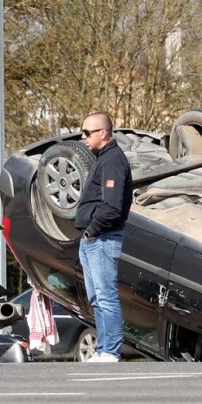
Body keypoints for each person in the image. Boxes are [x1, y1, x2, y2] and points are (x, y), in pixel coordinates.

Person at [74, 111, 132, 363]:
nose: (83, 137)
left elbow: (112, 207)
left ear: (103, 133)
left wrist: (91, 231)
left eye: (87, 132)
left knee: (106, 296)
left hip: (102, 238)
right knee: (97, 298)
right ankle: (102, 349)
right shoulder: (103, 159)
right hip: (93, 239)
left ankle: (111, 351)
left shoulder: (113, 161)